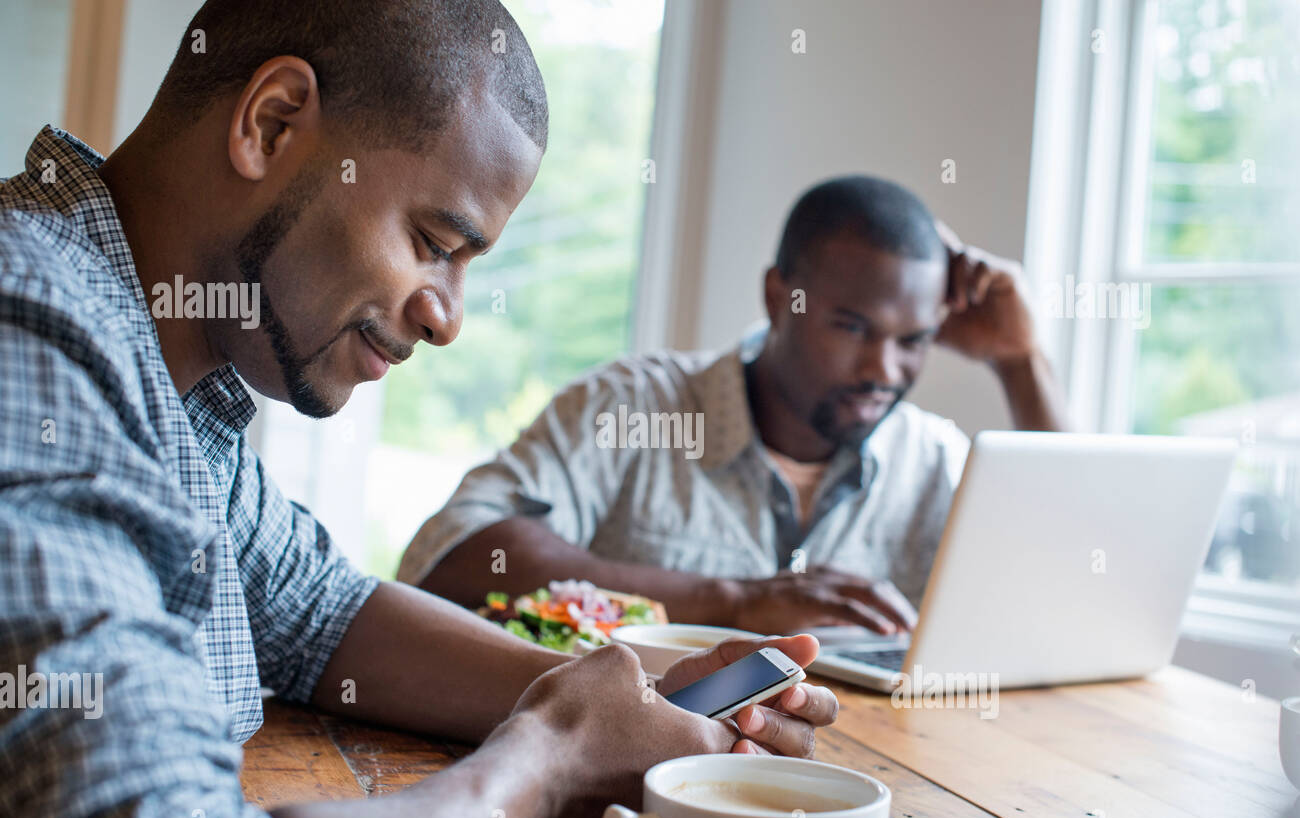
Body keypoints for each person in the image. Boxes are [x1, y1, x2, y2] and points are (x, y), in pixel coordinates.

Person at [0, 0, 838, 818]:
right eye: (434, 241)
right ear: (272, 122)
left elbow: (320, 612)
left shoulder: (165, 370)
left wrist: (637, 703)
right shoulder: (26, 325)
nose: (448, 320)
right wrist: (541, 770)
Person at [400, 176, 1070, 636]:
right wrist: (736, 601)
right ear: (780, 296)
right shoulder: (635, 406)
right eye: (852, 327)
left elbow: (1071, 593)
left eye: (914, 340)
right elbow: (449, 558)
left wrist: (1019, 363)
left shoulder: (933, 460)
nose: (883, 371)